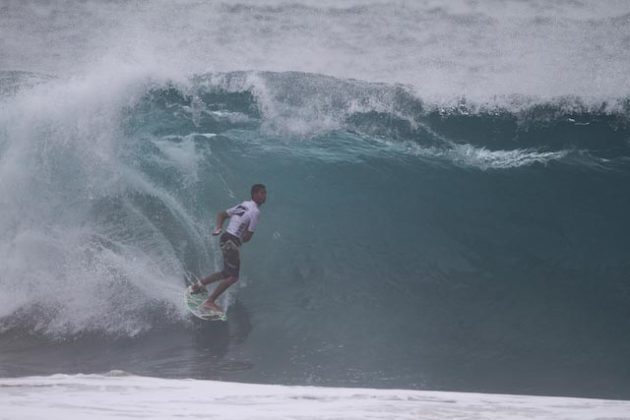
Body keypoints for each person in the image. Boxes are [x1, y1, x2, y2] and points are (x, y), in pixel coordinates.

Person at [188, 184, 267, 314]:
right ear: (254, 194)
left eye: (265, 193)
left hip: (225, 238)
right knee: (233, 277)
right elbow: (248, 237)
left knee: (226, 273)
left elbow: (221, 214)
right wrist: (242, 237)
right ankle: (210, 301)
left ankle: (196, 286)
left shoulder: (244, 204)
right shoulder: (256, 212)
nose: (264, 196)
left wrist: (218, 228)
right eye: (261, 193)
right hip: (232, 241)